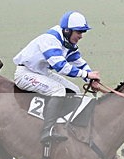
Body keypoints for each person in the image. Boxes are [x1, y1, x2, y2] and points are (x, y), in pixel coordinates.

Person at [12, 11, 101, 143]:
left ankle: (64, 124)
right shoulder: (51, 39)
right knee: (58, 90)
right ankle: (46, 131)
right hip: (25, 74)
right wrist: (87, 75)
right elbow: (61, 66)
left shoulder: (68, 43)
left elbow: (80, 63)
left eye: (82, 32)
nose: (81, 36)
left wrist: (91, 80)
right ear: (67, 31)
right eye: (79, 32)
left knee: (75, 90)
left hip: (42, 73)